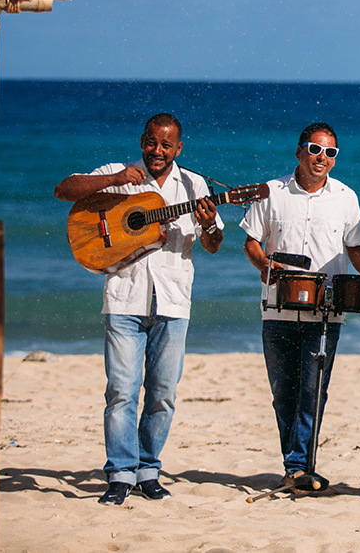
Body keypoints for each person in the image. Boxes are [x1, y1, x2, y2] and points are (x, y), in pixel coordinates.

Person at [53, 113, 223, 506]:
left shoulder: (194, 186)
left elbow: (213, 244)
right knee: (121, 392)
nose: (158, 151)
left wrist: (211, 224)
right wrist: (113, 181)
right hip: (124, 298)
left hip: (173, 301)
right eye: (152, 142)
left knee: (162, 392)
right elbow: (65, 189)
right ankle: (119, 473)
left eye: (167, 145)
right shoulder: (117, 173)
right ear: (142, 140)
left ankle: (148, 470)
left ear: (179, 148)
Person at [241, 122, 360, 492]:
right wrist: (265, 267)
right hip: (276, 309)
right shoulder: (271, 192)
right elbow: (252, 242)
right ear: (300, 151)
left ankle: (297, 465)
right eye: (315, 149)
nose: (323, 158)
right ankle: (297, 464)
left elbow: (355, 247)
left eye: (330, 152)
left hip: (326, 311)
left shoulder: (345, 197)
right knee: (283, 391)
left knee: (313, 389)